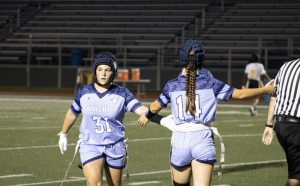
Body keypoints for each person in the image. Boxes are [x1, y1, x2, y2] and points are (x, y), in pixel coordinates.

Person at [138, 40, 277, 186]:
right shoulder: (212, 83)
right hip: (203, 139)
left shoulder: (171, 85)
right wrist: (264, 90)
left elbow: (154, 107)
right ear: (201, 59)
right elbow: (241, 94)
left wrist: (146, 116)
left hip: (180, 140)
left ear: (182, 58)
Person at [58, 52, 147, 186]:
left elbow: (140, 109)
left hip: (115, 145)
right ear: (95, 71)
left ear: (113, 72)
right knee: (94, 183)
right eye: (100, 70)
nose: (103, 74)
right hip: (90, 145)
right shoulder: (84, 92)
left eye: (107, 70)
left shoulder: (122, 93)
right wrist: (63, 134)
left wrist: (155, 115)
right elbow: (72, 113)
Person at [262, 58, 300, 186]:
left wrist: (269, 125)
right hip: (297, 126)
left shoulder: (286, 66)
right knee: (296, 175)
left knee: (296, 171)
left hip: (281, 125)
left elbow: (274, 96)